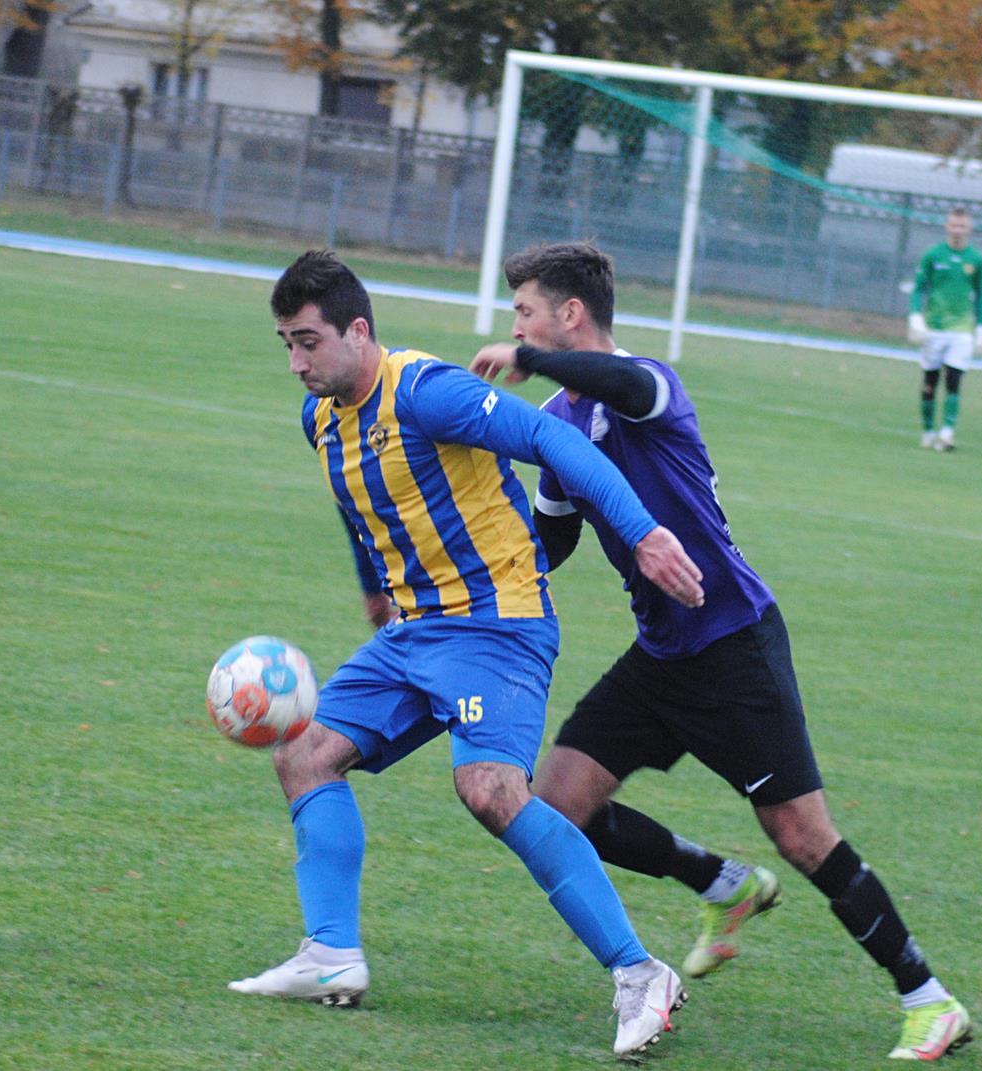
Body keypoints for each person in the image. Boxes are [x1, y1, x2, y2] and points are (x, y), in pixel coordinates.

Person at [469, 241, 973, 1063]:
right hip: (661, 656)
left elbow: (623, 386)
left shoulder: (651, 385)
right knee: (554, 804)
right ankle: (720, 884)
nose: (514, 326)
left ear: (568, 315)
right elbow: (550, 541)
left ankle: (930, 997)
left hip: (734, 645)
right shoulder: (558, 424)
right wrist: (470, 563)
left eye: (524, 310)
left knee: (804, 836)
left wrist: (525, 357)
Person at [228, 250, 708, 1059]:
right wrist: (373, 588)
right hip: (413, 630)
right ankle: (330, 954)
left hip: (498, 623)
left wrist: (644, 531)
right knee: (304, 754)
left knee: (488, 788)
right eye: (285, 343)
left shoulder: (428, 391)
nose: (296, 361)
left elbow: (558, 445)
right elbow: (359, 502)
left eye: (308, 341)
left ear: (357, 330)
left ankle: (639, 972)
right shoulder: (321, 417)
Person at [907, 206, 982, 452]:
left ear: (969, 229)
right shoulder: (933, 255)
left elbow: (981, 295)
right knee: (930, 382)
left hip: (961, 329)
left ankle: (947, 433)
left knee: (954, 380)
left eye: (962, 226)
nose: (957, 230)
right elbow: (918, 288)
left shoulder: (977, 259)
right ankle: (928, 431)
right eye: (954, 225)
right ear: (947, 226)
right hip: (934, 327)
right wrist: (915, 316)